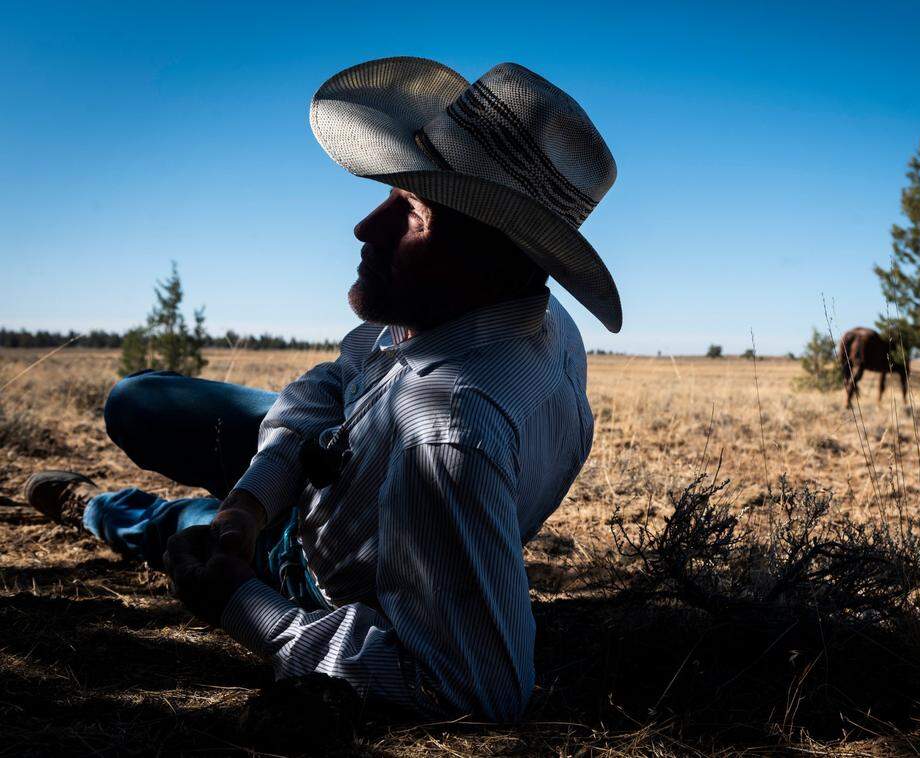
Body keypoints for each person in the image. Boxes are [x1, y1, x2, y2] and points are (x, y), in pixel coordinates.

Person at [22, 57, 621, 722]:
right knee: (138, 404)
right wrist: (254, 497)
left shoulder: (448, 430)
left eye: (413, 210)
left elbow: (477, 690)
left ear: (492, 255)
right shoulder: (526, 318)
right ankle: (222, 508)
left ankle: (97, 508)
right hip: (338, 473)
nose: (366, 227)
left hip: (329, 565)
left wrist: (249, 605)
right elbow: (340, 376)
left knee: (179, 533)